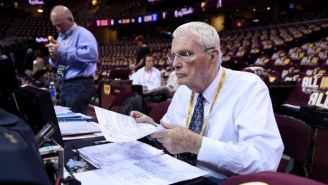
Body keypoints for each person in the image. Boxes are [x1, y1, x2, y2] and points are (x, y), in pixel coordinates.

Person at [130, 22, 284, 180]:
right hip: (179, 174)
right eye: (173, 55)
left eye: (185, 54)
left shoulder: (249, 88)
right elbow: (175, 134)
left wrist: (197, 144)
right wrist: (153, 128)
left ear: (212, 56)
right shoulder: (184, 89)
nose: (175, 64)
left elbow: (264, 161)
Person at [46, 5, 98, 114]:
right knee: (68, 120)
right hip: (65, 83)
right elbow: (61, 65)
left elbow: (93, 55)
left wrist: (62, 50)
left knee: (77, 123)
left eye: (59, 25)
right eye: (55, 26)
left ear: (70, 19)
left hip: (80, 84)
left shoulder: (84, 34)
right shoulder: (61, 37)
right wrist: (54, 59)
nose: (58, 29)